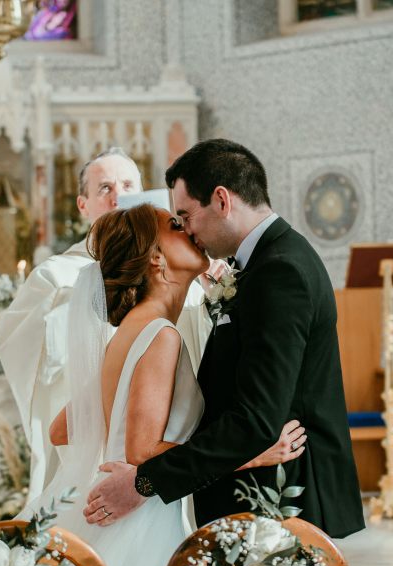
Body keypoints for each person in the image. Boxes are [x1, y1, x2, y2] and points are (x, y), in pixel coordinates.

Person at [20, 204, 305, 566]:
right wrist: (252, 453)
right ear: (156, 258)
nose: (188, 230)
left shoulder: (130, 331)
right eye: (175, 225)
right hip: (137, 520)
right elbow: (141, 449)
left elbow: (61, 429)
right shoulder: (159, 334)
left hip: (120, 505)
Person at [84, 139, 365, 539]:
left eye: (185, 215)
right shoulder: (259, 267)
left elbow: (255, 420)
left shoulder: (279, 271)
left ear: (221, 200)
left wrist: (143, 482)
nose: (187, 230)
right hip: (250, 506)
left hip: (282, 505)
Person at [0, 148, 211, 502]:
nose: (119, 196)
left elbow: (62, 428)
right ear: (83, 205)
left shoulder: (154, 305)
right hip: (146, 484)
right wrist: (238, 456)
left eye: (128, 185)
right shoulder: (60, 276)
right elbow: (141, 451)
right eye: (105, 188)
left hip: (144, 483)